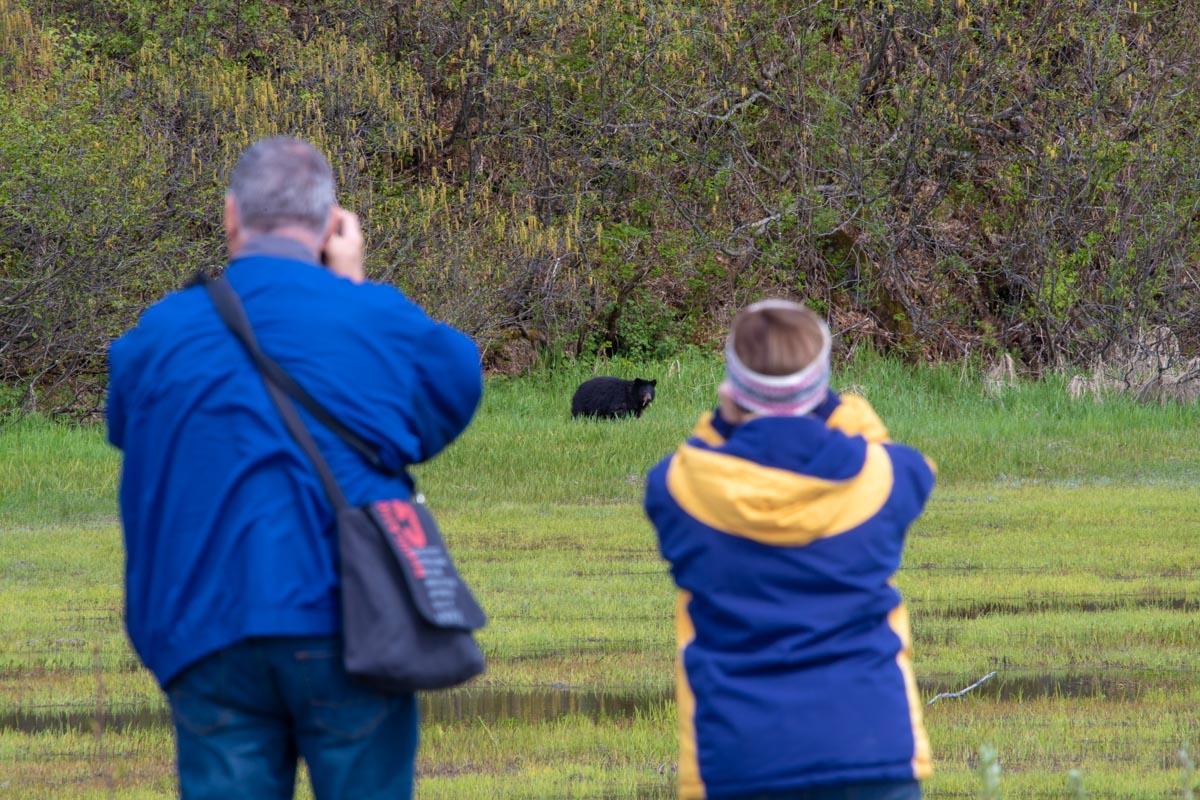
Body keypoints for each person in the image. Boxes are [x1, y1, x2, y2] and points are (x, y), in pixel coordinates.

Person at [105, 136, 483, 799]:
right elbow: (454, 384)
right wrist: (353, 286)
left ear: (230, 216)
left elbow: (125, 422)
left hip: (204, 627)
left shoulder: (157, 337)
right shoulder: (374, 318)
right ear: (332, 222)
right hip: (349, 622)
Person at [643, 299, 936, 800]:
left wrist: (724, 419)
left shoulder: (677, 490)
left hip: (740, 760)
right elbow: (894, 454)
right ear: (821, 387)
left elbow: (698, 452)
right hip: (871, 747)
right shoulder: (885, 480)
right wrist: (839, 410)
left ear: (733, 390)